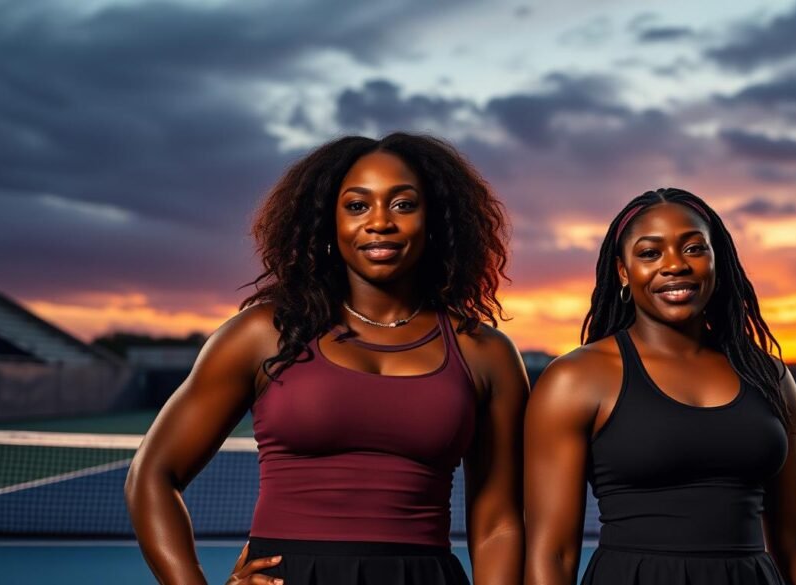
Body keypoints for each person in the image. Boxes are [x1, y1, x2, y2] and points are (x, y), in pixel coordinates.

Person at [126, 133, 528, 585]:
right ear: (327, 222)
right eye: (357, 206)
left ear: (435, 220)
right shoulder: (263, 334)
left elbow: (499, 524)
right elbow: (152, 476)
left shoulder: (486, 353)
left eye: (403, 204)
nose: (379, 222)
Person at [524, 188, 796, 584]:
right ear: (623, 271)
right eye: (650, 253)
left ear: (715, 261)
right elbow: (552, 553)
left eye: (692, 248)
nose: (674, 265)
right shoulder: (575, 379)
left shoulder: (768, 376)